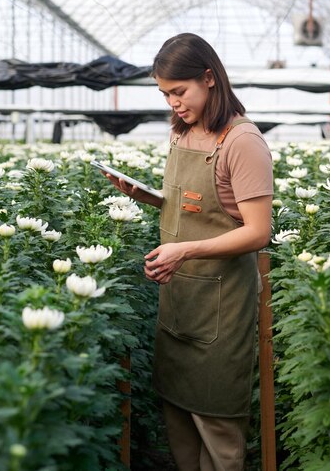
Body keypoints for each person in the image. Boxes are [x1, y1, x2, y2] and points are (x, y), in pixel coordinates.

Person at [107, 33, 273, 471]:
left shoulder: (242, 142)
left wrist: (184, 251)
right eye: (165, 94)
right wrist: (146, 197)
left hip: (220, 305)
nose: (173, 104)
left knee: (217, 425)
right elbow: (197, 209)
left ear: (209, 78)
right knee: (177, 417)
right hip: (179, 296)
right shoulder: (184, 133)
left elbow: (258, 232)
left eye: (179, 92)